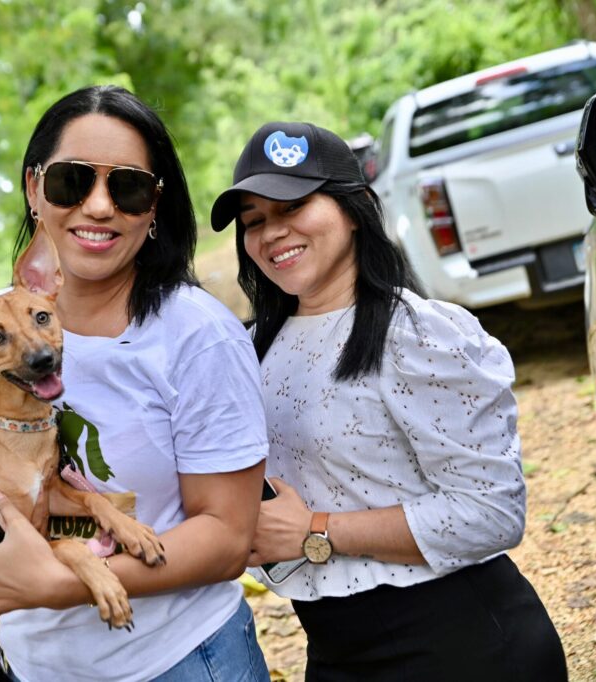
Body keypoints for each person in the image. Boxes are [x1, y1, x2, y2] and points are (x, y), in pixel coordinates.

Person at [0, 85, 271, 682]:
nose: (98, 206)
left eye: (128, 187)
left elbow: (226, 540)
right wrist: (2, 560)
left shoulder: (199, 337)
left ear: (154, 208)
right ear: (34, 189)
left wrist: (56, 578)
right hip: (33, 667)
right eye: (72, 182)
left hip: (181, 661)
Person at [210, 122, 568, 681]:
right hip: (333, 652)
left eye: (293, 206)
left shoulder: (419, 335)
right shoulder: (251, 349)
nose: (272, 233)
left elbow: (493, 513)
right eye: (254, 221)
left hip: (459, 648)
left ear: (353, 210)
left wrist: (317, 530)